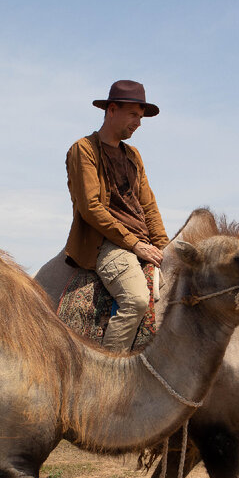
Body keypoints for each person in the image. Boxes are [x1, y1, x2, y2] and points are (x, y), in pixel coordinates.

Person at [63, 79, 170, 353]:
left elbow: (148, 205)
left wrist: (164, 246)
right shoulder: (83, 150)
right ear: (111, 110)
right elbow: (90, 207)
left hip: (139, 239)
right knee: (135, 300)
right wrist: (135, 244)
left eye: (141, 116)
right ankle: (108, 373)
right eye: (133, 114)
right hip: (106, 243)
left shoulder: (133, 156)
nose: (139, 122)